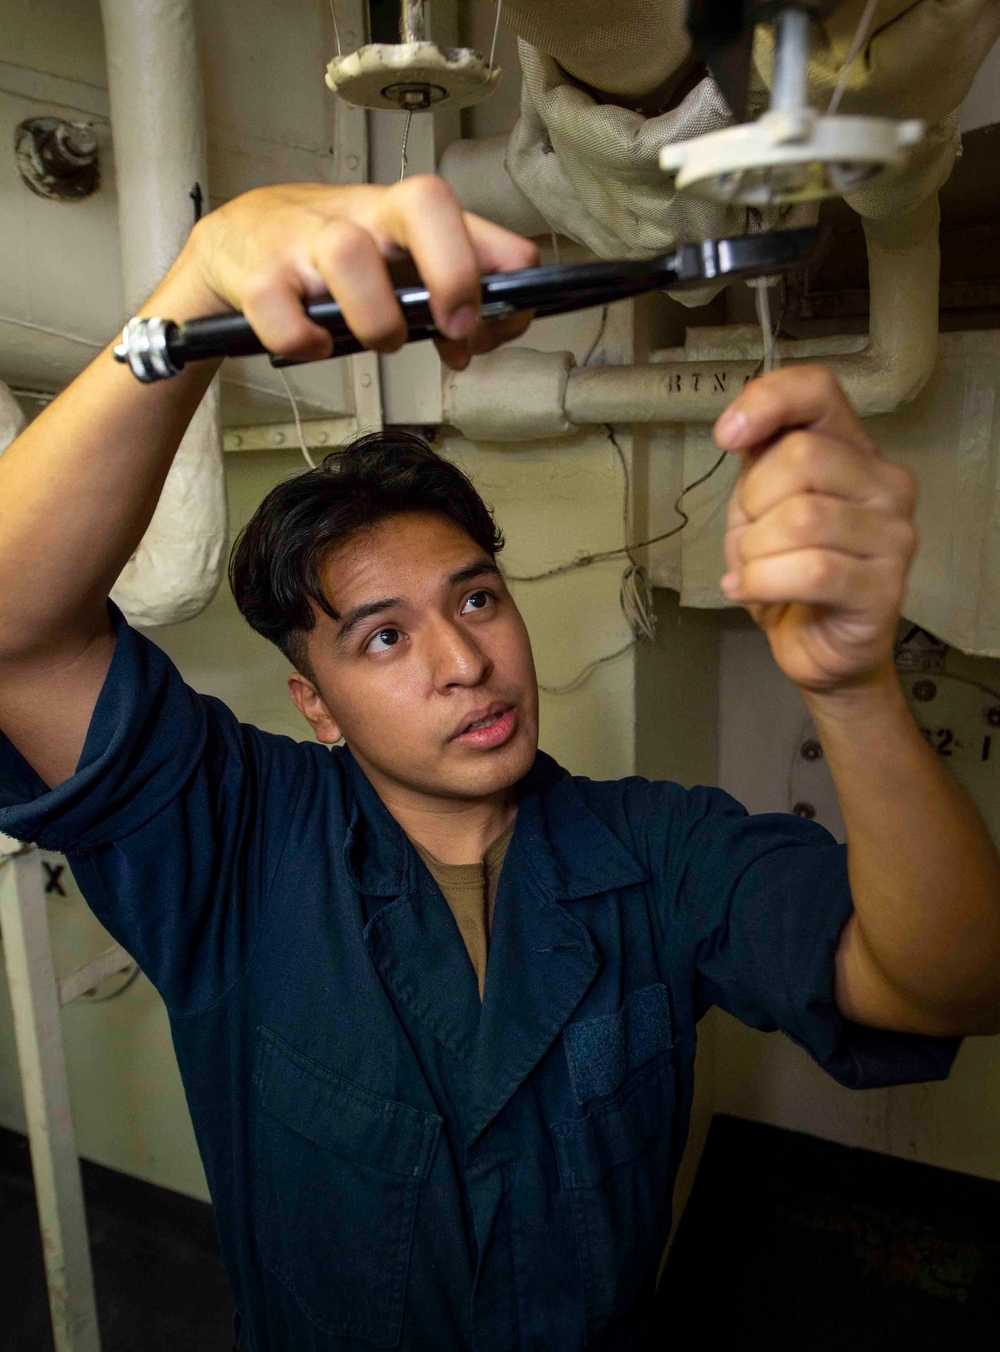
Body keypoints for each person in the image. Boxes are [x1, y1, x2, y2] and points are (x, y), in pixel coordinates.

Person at [1, 178, 999, 1352]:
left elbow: (950, 985)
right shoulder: (233, 841)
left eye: (476, 597)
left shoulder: (653, 850)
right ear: (314, 706)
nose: (465, 660)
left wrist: (852, 683)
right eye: (385, 635)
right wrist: (198, 281)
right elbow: (18, 630)